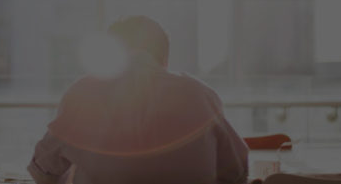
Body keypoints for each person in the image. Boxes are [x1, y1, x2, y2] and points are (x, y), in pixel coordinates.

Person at [28, 16, 248, 184]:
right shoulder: (201, 94)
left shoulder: (84, 92)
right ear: (165, 58)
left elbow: (43, 170)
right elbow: (237, 171)